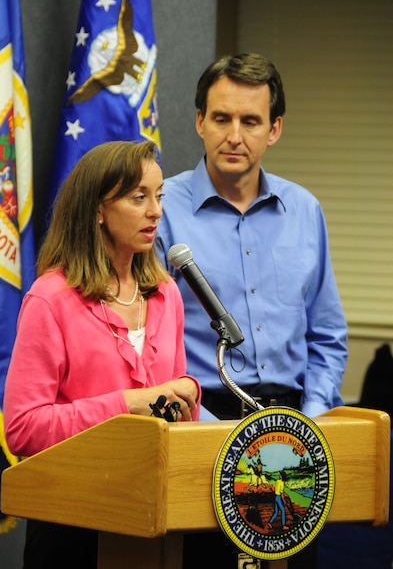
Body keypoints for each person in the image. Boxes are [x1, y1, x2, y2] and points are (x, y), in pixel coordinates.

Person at [155, 53, 348, 568]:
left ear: (274, 129)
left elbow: (327, 336)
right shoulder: (158, 210)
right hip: (198, 427)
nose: (234, 135)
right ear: (199, 121)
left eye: (250, 121)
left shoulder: (304, 210)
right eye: (221, 118)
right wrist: (201, 429)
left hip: (292, 434)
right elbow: (143, 343)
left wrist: (311, 423)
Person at [4, 140, 200, 569]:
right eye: (139, 198)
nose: (156, 211)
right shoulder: (51, 300)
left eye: (159, 196)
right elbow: (22, 428)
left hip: (152, 520)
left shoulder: (167, 294)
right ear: (97, 209)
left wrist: (186, 395)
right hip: (71, 526)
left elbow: (170, 416)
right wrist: (127, 405)